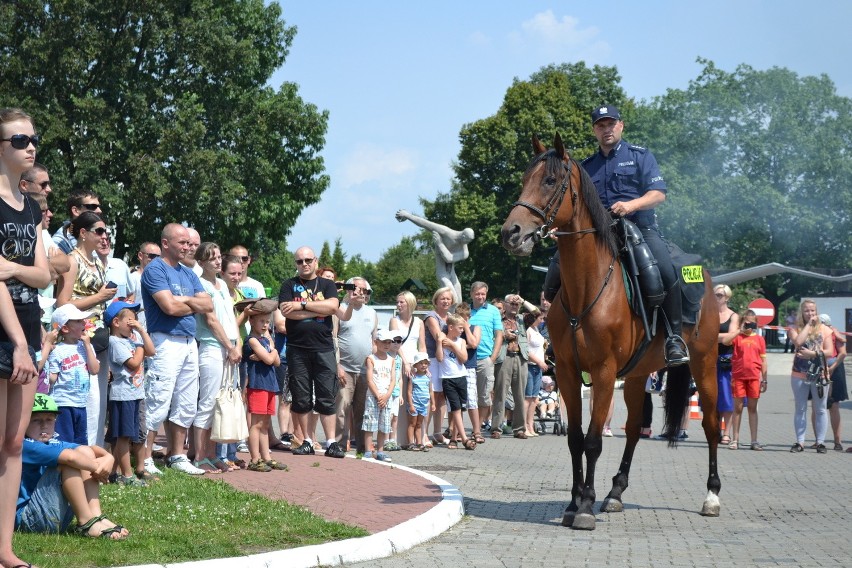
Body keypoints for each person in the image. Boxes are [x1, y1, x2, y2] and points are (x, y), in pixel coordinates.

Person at [544, 104, 689, 365]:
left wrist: (631, 205)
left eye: (611, 124)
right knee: (553, 278)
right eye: (601, 125)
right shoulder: (586, 166)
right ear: (594, 131)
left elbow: (659, 194)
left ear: (621, 125)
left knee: (666, 272)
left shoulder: (640, 156)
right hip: (597, 235)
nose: (606, 129)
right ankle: (559, 342)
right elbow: (574, 205)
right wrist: (559, 228)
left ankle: (673, 338)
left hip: (640, 229)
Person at [0, 107, 50, 568]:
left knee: (14, 443)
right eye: (19, 140)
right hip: (3, 332)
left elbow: (42, 275)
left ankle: (5, 549)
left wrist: (14, 267)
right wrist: (16, 343)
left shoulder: (31, 206)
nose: (29, 146)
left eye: (32, 139)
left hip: (29, 326)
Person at [140, 223, 213, 475]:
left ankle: (177, 455)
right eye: (181, 242)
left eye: (189, 243)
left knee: (186, 399)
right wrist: (189, 302)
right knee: (158, 397)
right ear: (165, 244)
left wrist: (181, 300)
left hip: (188, 341)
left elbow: (207, 303)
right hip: (165, 339)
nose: (187, 247)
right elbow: (168, 308)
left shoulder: (188, 273)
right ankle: (146, 457)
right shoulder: (155, 270)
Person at [17, 393, 128, 540]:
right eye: (36, 420)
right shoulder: (25, 445)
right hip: (28, 520)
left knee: (83, 452)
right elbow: (70, 458)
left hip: (52, 515)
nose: (44, 425)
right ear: (24, 422)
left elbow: (88, 449)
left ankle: (95, 515)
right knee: (69, 464)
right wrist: (97, 468)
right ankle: (86, 522)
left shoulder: (53, 443)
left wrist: (109, 457)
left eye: (49, 420)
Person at [54, 211, 117, 447]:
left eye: (106, 231)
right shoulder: (72, 260)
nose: (104, 236)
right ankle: (82, 453)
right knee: (85, 397)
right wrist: (99, 296)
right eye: (99, 231)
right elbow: (62, 303)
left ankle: (95, 451)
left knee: (98, 399)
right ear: (83, 233)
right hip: (78, 337)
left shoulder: (97, 261)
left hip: (97, 336)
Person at [278, 247, 346, 458]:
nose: (304, 264)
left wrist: (302, 305)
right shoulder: (289, 285)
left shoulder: (326, 284)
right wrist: (318, 307)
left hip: (323, 348)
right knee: (301, 397)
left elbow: (333, 307)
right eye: (300, 261)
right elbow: (286, 312)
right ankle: (307, 440)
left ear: (315, 261)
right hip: (297, 349)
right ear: (295, 263)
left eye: (308, 260)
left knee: (326, 395)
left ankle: (332, 442)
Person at [194, 243, 242, 473]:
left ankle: (213, 455)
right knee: (208, 402)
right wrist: (228, 346)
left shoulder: (222, 284)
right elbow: (211, 320)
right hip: (213, 347)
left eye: (218, 257)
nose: (216, 261)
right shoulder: (200, 284)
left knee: (221, 404)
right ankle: (200, 455)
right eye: (211, 258)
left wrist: (237, 343)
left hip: (230, 347)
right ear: (201, 262)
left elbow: (232, 316)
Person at [105, 301, 155, 485]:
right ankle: (127, 475)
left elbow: (152, 351)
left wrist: (141, 332)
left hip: (135, 394)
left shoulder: (132, 339)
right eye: (131, 320)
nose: (134, 323)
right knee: (123, 436)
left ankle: (113, 472)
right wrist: (139, 345)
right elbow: (133, 364)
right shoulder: (115, 342)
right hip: (123, 394)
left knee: (126, 435)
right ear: (116, 322)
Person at [44, 304, 99, 445]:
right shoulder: (58, 351)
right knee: (64, 442)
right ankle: (63, 467)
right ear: (65, 328)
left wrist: (87, 345)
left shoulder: (87, 346)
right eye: (79, 321)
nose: (84, 323)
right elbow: (52, 379)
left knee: (80, 442)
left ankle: (77, 466)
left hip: (81, 403)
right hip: (62, 404)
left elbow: (94, 370)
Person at [333, 277, 377, 453]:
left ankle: (362, 447)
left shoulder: (372, 313)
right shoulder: (339, 310)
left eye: (364, 290)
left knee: (363, 410)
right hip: (345, 368)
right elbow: (333, 338)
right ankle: (339, 445)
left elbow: (374, 342)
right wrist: (337, 366)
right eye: (356, 288)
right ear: (348, 290)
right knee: (342, 408)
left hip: (365, 370)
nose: (360, 293)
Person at [395, 209, 474, 304]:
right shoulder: (446, 232)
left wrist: (440, 243)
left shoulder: (464, 250)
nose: (467, 243)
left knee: (459, 300)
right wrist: (407, 215)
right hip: (442, 273)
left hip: (451, 273)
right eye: (467, 240)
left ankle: (456, 317)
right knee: (454, 299)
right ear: (463, 236)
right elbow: (425, 224)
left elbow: (448, 258)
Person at [787, 299, 833, 453]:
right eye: (807, 310)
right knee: (800, 408)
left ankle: (820, 442)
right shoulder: (794, 328)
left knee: (820, 408)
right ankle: (800, 442)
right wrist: (808, 325)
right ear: (802, 312)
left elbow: (829, 351)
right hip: (799, 373)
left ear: (816, 311)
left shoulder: (824, 329)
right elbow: (798, 342)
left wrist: (812, 354)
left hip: (820, 373)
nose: (810, 313)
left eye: (813, 310)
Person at [243, 311, 286, 472]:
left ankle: (266, 457)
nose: (265, 325)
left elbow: (277, 361)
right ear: (251, 321)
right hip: (257, 384)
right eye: (262, 321)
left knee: (266, 423)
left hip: (269, 384)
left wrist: (270, 352)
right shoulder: (252, 340)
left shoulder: (265, 340)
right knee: (256, 423)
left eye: (268, 322)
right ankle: (254, 458)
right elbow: (270, 359)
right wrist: (271, 351)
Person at [492, 294, 534, 439]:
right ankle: (496, 428)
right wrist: (504, 335)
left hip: (520, 358)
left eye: (517, 304)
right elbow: (492, 335)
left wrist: (523, 300)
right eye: (512, 303)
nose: (514, 306)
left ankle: (519, 429)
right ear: (505, 304)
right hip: (504, 357)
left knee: (519, 395)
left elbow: (538, 313)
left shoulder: (522, 319)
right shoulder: (498, 318)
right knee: (500, 394)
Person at [723, 309, 767, 450]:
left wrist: (764, 379)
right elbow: (725, 341)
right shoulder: (738, 337)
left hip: (754, 377)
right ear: (742, 323)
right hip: (738, 376)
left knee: (753, 409)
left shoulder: (759, 339)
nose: (749, 326)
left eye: (752, 324)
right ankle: (735, 439)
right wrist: (739, 330)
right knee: (738, 408)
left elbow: (763, 360)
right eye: (747, 323)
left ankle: (754, 440)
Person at [468, 281, 503, 439]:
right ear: (471, 294)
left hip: (484, 359)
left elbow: (499, 335)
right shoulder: (465, 310)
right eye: (477, 294)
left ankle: (477, 428)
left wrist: (493, 357)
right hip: (466, 359)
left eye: (483, 294)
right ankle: (458, 429)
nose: (480, 297)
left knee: (484, 396)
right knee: (466, 396)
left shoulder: (493, 310)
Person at [436, 314, 476, 450]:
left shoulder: (461, 342)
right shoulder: (443, 340)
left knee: (460, 408)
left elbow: (463, 359)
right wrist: (439, 342)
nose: (462, 330)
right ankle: (464, 438)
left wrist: (452, 346)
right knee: (455, 409)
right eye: (460, 328)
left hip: (461, 377)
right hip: (448, 379)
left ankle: (454, 438)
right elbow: (440, 358)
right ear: (451, 327)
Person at [362, 329, 401, 461]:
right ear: (376, 342)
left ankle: (380, 451)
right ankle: (368, 450)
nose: (386, 344)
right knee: (369, 424)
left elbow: (393, 380)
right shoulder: (371, 359)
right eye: (384, 342)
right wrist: (378, 395)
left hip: (387, 397)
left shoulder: (392, 360)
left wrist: (387, 395)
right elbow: (369, 379)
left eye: (389, 342)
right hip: (373, 396)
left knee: (384, 425)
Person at [423, 287, 454, 447]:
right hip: (432, 360)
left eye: (448, 299)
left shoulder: (451, 317)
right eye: (442, 298)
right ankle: (423, 434)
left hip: (446, 361)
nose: (446, 301)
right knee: (431, 397)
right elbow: (438, 336)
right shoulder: (431, 316)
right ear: (436, 300)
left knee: (442, 398)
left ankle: (437, 432)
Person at [818, 314, 847, 451]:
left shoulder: (833, 331)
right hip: (819, 367)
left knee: (834, 404)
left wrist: (833, 367)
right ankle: (819, 440)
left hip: (834, 367)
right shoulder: (815, 332)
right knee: (818, 406)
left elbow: (843, 352)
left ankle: (837, 440)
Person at [715, 284, 739, 445]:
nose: (716, 298)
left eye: (719, 295)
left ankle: (726, 433)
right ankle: (715, 431)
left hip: (726, 360)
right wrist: (722, 336)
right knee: (712, 398)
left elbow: (729, 338)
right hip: (709, 359)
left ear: (727, 298)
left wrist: (712, 336)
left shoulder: (733, 316)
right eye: (714, 295)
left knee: (727, 398)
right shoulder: (708, 314)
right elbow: (699, 335)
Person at [454, 302, 481, 443]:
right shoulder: (454, 329)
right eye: (459, 318)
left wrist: (466, 328)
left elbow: (474, 343)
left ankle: (476, 431)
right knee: (456, 400)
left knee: (472, 399)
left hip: (469, 366)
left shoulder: (475, 328)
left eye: (464, 318)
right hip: (455, 367)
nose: (462, 321)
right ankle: (457, 431)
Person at [523, 311, 549, 438]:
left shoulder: (537, 330)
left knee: (534, 398)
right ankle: (523, 426)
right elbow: (526, 351)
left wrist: (543, 358)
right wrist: (539, 361)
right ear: (535, 318)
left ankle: (530, 425)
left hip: (538, 367)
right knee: (527, 397)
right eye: (541, 318)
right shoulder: (528, 331)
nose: (542, 320)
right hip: (530, 366)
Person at [52, 190, 102, 254]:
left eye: (99, 207)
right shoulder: (59, 243)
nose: (99, 211)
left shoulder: (92, 236)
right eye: (92, 206)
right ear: (75, 211)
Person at [406, 352, 434, 451]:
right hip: (414, 404)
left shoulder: (428, 377)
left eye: (425, 363)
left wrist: (433, 403)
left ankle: (419, 443)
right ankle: (411, 443)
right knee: (412, 423)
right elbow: (409, 392)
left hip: (424, 405)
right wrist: (411, 405)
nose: (423, 365)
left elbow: (431, 391)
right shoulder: (413, 377)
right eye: (421, 363)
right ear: (416, 365)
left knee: (419, 424)